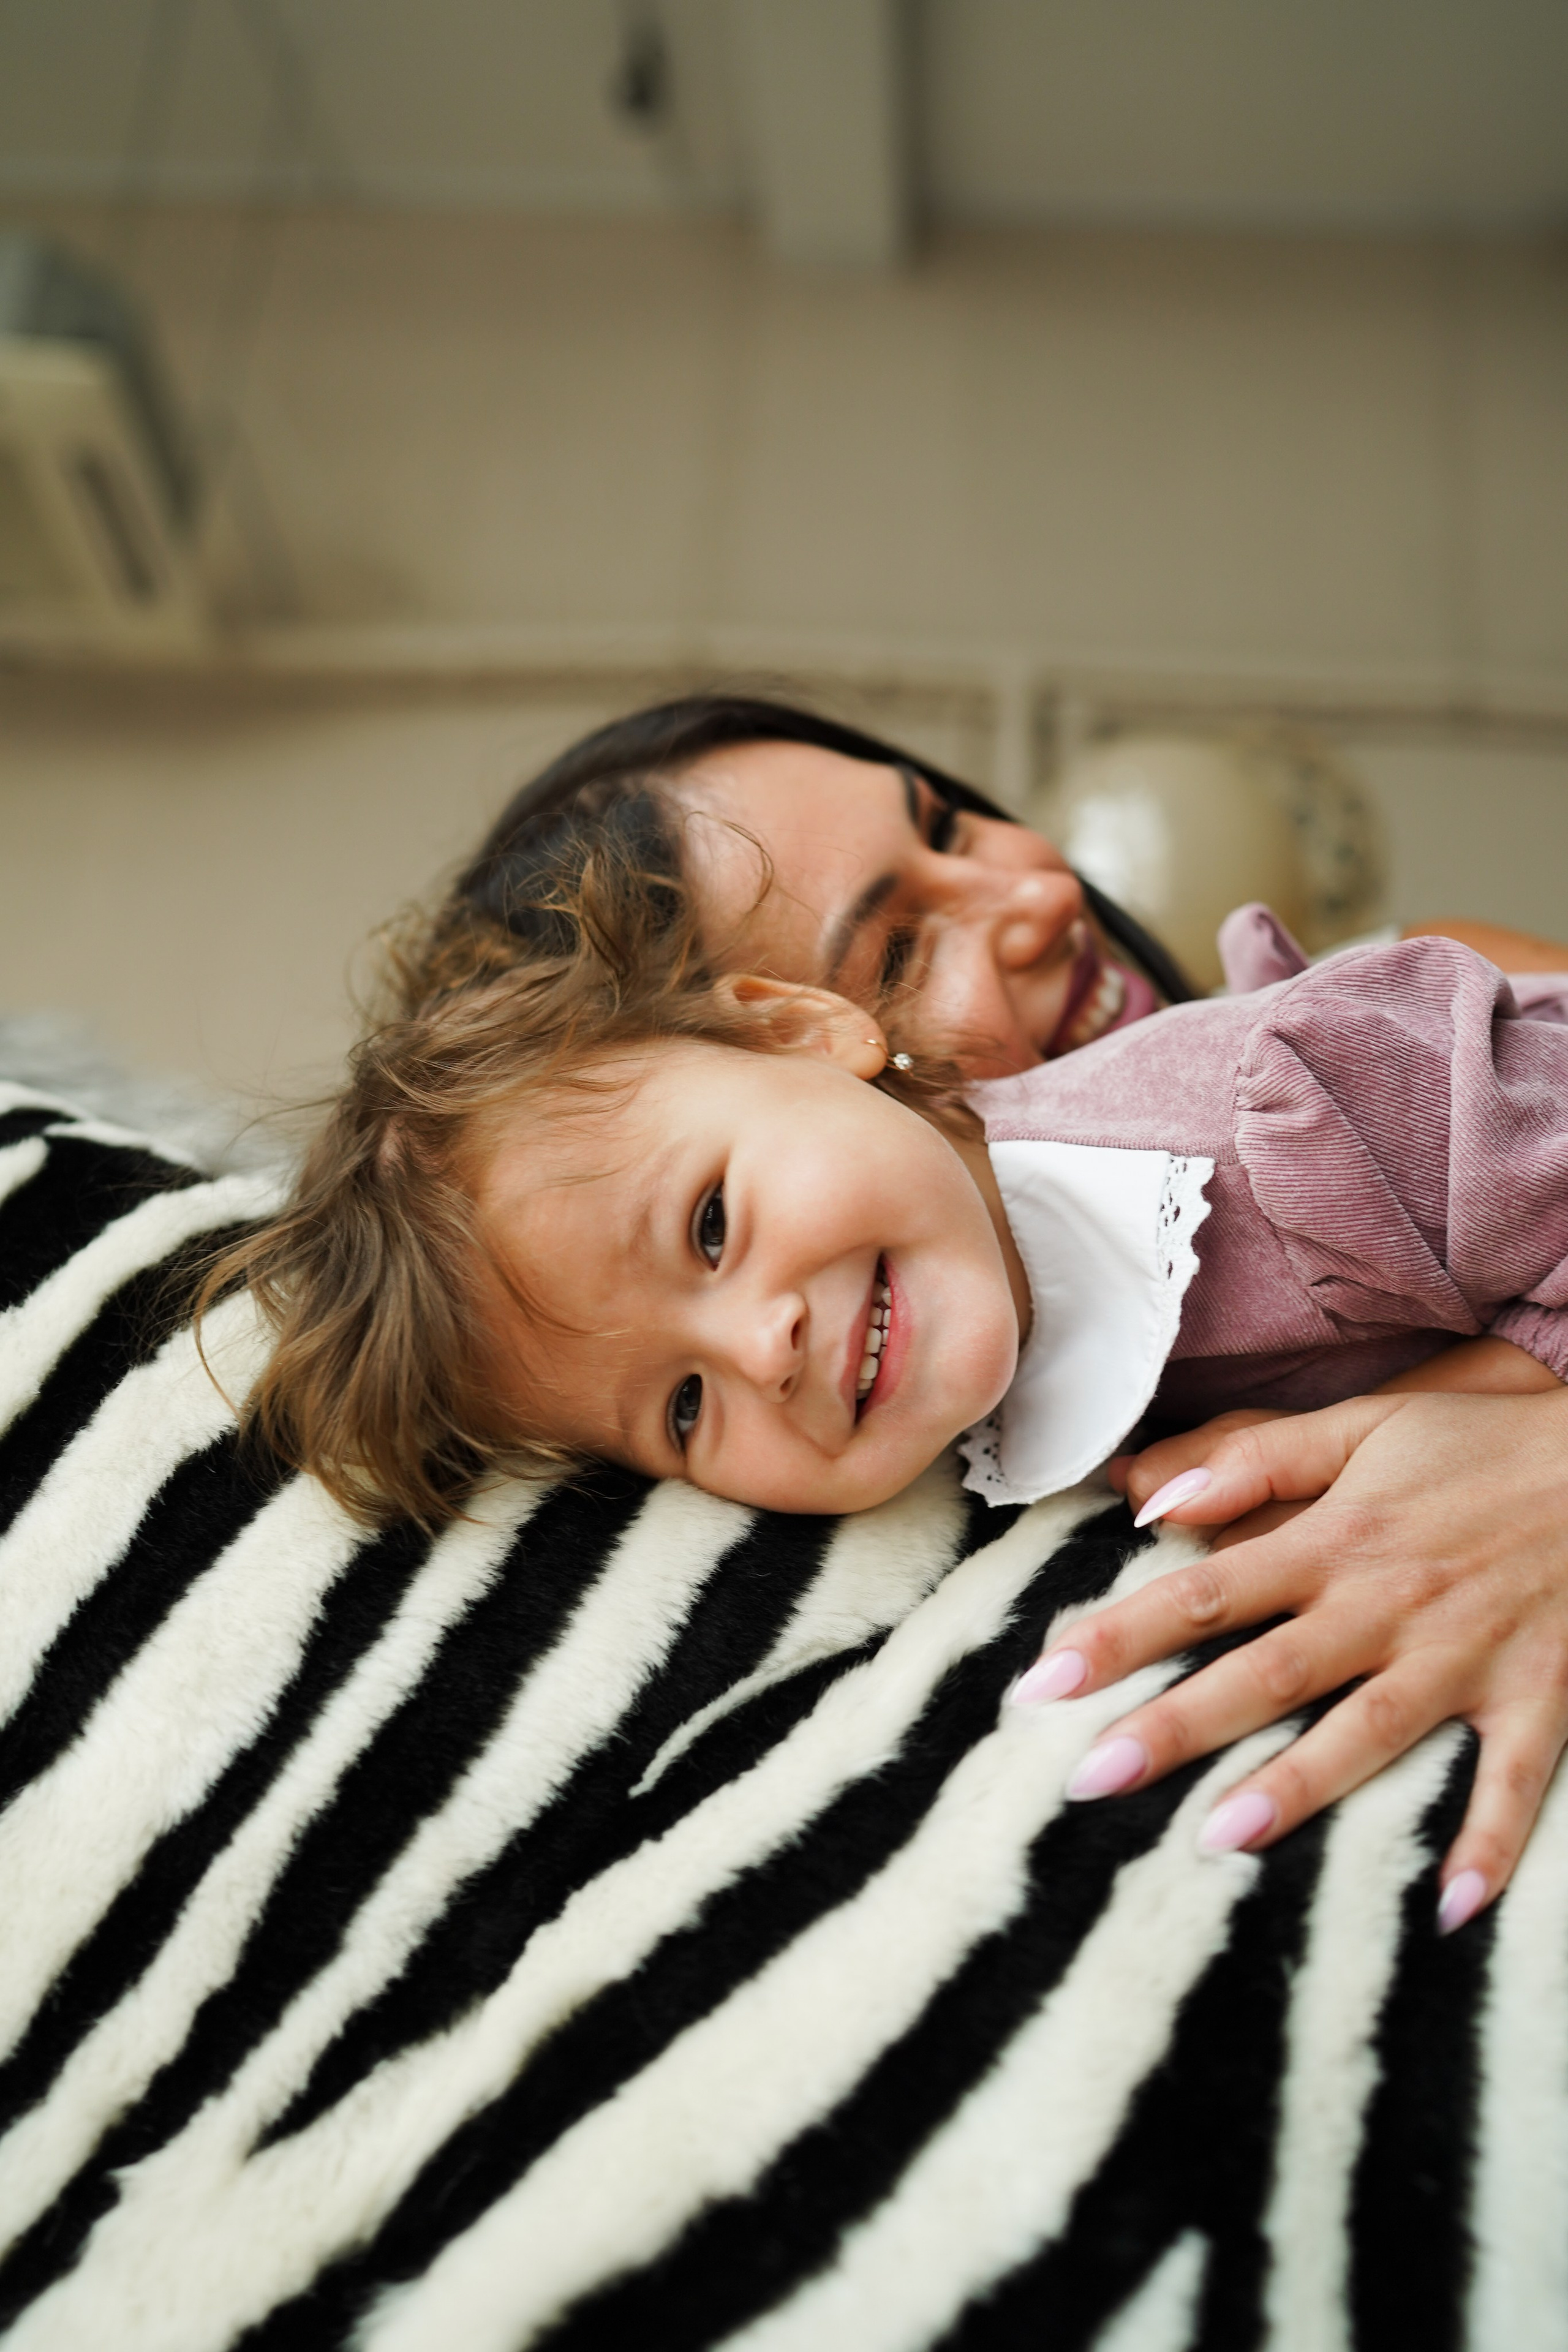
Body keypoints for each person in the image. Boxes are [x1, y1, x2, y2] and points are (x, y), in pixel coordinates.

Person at [214, 857, 1568, 1935]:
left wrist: (1455, 1415)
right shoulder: (982, 1450)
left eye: (706, 1227)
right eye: (683, 1411)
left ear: (801, 1029)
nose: (760, 1351)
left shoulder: (1300, 1119)